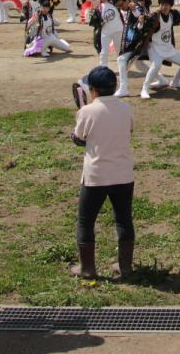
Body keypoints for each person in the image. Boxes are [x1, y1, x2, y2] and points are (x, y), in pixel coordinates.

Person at [70, 66, 136, 280]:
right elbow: (129, 131)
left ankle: (88, 269)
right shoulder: (126, 108)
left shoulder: (87, 111)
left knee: (86, 221)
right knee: (124, 219)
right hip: (123, 174)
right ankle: (125, 267)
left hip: (96, 175)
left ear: (93, 90)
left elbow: (79, 138)